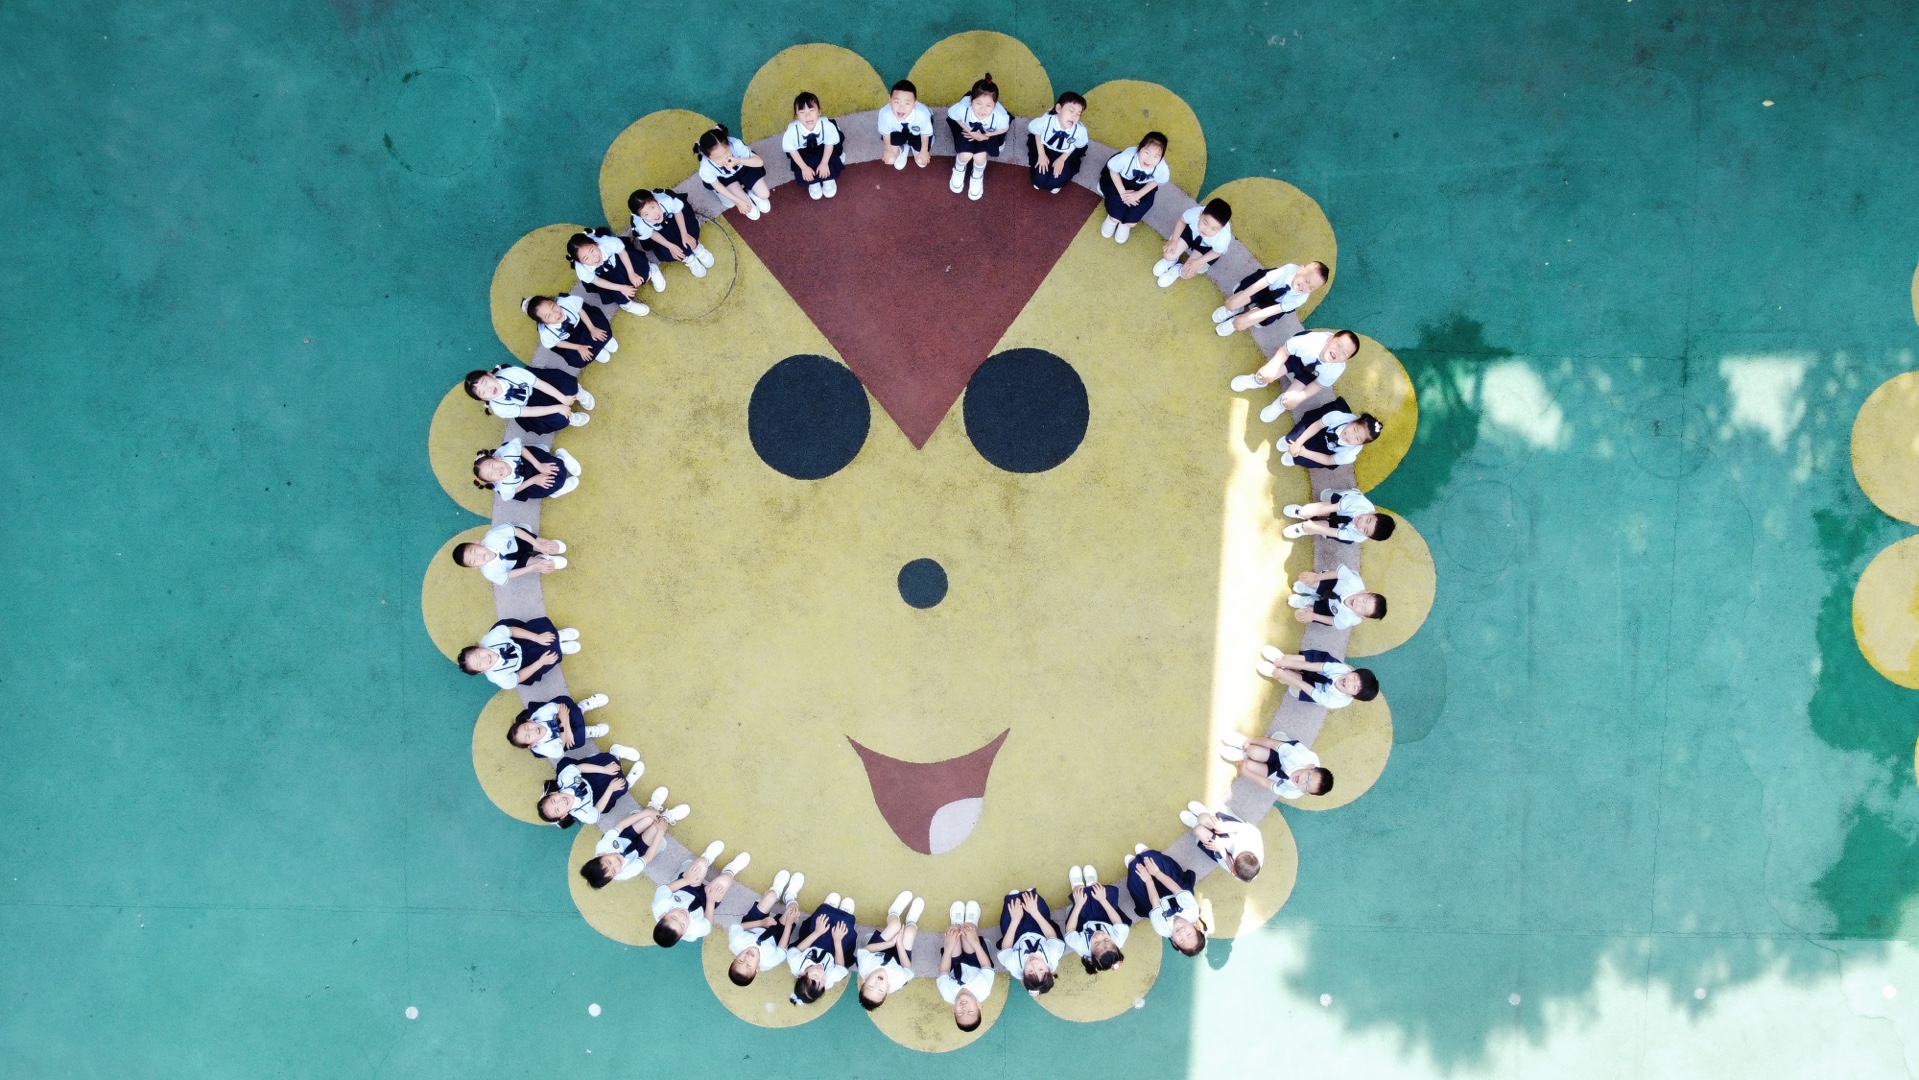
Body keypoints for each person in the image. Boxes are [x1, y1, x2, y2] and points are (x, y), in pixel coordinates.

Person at [1232, 329, 1361, 423]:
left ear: (1346, 360)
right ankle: (1256, 380)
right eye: (1339, 345)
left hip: (1310, 374)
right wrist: (1272, 367)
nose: (1338, 352)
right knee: (1267, 374)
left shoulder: (1336, 369)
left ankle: (1279, 405)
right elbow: (1285, 350)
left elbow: (1318, 385)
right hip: (1295, 358)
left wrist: (1299, 398)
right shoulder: (1310, 342)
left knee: (1291, 399)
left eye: (1345, 353)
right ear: (1330, 338)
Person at [579, 787, 692, 888]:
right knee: (655, 828)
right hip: (638, 850)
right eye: (614, 871)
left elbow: (621, 825)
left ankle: (652, 807)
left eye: (609, 862)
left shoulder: (603, 846)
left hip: (626, 836)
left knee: (649, 818)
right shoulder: (626, 873)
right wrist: (661, 831)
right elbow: (648, 857)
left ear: (601, 855)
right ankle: (666, 818)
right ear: (613, 878)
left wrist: (647, 812)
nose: (616, 864)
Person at [653, 841, 749, 947]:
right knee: (724, 881)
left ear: (663, 915)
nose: (682, 917)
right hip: (704, 902)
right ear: (683, 934)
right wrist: (711, 901)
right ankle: (730, 870)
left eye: (674, 918)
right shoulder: (695, 932)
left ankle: (707, 858)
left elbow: (666, 889)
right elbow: (708, 923)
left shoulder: (659, 906)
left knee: (700, 864)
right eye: (682, 925)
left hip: (685, 887)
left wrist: (687, 880)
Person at [727, 870, 805, 986]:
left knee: (770, 896)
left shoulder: (736, 942)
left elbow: (738, 927)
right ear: (757, 968)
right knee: (793, 911)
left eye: (741, 960)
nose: (747, 958)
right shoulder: (770, 961)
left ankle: (776, 891)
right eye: (749, 965)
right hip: (775, 935)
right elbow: (782, 947)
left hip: (754, 924)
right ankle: (790, 896)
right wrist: (789, 923)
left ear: (735, 957)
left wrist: (761, 922)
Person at [1125, 846, 1206, 956]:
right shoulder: (1192, 911)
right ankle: (1147, 854)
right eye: (1189, 934)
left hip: (1154, 900)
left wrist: (1148, 880)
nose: (1182, 933)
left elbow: (1155, 902)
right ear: (1196, 927)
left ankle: (1135, 865)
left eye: (1181, 940)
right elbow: (1176, 889)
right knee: (1151, 857)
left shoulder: (1162, 929)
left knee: (1134, 866)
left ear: (1175, 943)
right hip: (1173, 890)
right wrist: (1156, 873)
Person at [462, 364, 592, 433]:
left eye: (485, 383)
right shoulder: (499, 409)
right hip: (528, 406)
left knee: (564, 384)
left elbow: (539, 384)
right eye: (483, 392)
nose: (489, 389)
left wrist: (562, 398)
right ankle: (570, 417)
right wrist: (558, 408)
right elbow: (529, 411)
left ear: (490, 375)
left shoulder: (511, 373)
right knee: (558, 418)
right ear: (482, 399)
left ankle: (578, 392)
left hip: (536, 386)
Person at [1212, 262, 1330, 338]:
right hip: (1264, 288)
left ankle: (1234, 321)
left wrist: (1246, 319)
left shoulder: (1301, 298)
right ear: (1300, 270)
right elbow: (1261, 284)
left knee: (1246, 321)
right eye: (1307, 281)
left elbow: (1272, 310)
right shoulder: (1288, 269)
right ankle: (1234, 309)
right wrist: (1237, 300)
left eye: (1311, 288)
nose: (1305, 287)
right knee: (1234, 300)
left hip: (1273, 304)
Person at [458, 616, 579, 688]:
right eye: (480, 664)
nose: (485, 659)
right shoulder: (498, 677)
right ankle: (560, 648)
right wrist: (540, 662)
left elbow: (512, 631)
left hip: (520, 641)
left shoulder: (492, 638)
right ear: (482, 671)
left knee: (543, 635)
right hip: (525, 663)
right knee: (547, 657)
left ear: (479, 646)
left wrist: (537, 637)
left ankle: (558, 635)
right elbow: (519, 676)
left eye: (479, 654)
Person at [537, 746, 642, 828]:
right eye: (558, 810)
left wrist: (605, 769)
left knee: (608, 760)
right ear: (563, 815)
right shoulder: (582, 814)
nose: (561, 803)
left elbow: (581, 768)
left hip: (588, 776)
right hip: (598, 794)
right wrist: (610, 789)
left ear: (553, 793)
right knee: (621, 788)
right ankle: (629, 781)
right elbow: (597, 810)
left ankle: (615, 753)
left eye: (554, 800)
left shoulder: (564, 779)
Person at [945, 73, 1010, 201]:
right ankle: (959, 169)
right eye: (978, 103)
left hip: (987, 133)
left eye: (988, 105)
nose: (982, 110)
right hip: (968, 131)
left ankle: (977, 176)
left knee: (979, 157)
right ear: (971, 101)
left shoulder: (1000, 116)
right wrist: (970, 131)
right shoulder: (963, 109)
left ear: (995, 105)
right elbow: (954, 117)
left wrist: (987, 135)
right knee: (965, 155)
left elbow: (1004, 128)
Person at [856, 891, 925, 1010]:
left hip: (877, 950)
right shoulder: (898, 980)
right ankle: (911, 920)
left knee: (895, 925)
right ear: (888, 990)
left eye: (871, 986)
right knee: (909, 932)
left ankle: (894, 912)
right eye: (881, 990)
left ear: (865, 980)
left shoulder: (865, 965)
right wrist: (899, 944)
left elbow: (868, 949)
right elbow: (907, 967)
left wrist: (890, 943)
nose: (878, 984)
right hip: (899, 958)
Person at [1098, 132, 1169, 244]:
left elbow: (1156, 181)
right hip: (1121, 180)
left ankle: (1125, 225)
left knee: (1132, 221)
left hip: (1142, 187)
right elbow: (1113, 172)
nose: (1149, 159)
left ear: (1161, 157)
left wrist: (1138, 194)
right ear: (1139, 148)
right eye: (1147, 152)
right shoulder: (1126, 157)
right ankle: (1112, 220)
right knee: (1115, 214)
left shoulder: (1162, 168)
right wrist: (1123, 193)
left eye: (1156, 156)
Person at [628, 188, 713, 281]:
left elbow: (677, 212)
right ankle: (689, 259)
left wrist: (684, 234)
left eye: (653, 207)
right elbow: (652, 234)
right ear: (640, 217)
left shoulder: (666, 200)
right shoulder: (640, 225)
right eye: (646, 214)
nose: (654, 214)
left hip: (674, 219)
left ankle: (697, 248)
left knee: (690, 233)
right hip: (660, 233)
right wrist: (670, 246)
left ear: (655, 200)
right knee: (669, 251)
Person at [1257, 646, 1379, 709]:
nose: (1350, 682)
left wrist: (1283, 675)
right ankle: (1282, 658)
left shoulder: (1334, 701)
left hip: (1316, 689)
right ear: (1352, 671)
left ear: (1351, 696)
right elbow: (1310, 666)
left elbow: (1304, 686)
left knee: (1293, 682)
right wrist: (1284, 662)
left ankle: (1276, 673)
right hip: (1320, 668)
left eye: (1354, 688)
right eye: (1354, 678)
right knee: (1305, 660)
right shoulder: (1342, 669)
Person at [787, 892, 855, 1004]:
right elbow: (840, 966)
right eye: (823, 980)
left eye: (815, 976)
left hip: (813, 942)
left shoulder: (795, 963)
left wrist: (817, 932)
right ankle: (845, 915)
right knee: (844, 931)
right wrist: (837, 941)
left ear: (802, 975)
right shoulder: (831, 978)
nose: (821, 973)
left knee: (820, 920)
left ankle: (829, 907)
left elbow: (798, 949)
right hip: (833, 951)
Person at [1221, 732, 1334, 800]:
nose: (1304, 781)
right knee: (1253, 751)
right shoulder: (1296, 756)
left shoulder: (1291, 793)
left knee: (1248, 765)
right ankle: (1243, 744)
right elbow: (1271, 743)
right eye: (1308, 777)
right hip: (1283, 756)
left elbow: (1266, 783)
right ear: (1309, 767)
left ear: (1304, 792)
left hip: (1279, 774)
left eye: (1307, 786)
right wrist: (1248, 740)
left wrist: (1245, 771)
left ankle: (1243, 755)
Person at [995, 888, 1065, 995]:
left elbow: (1006, 946)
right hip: (1038, 929)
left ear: (1023, 975)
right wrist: (1034, 912)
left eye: (1030, 971)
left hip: (1016, 934)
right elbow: (1050, 935)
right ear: (1049, 969)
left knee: (1011, 904)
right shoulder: (1054, 954)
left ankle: (1015, 899)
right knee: (1034, 901)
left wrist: (1015, 920)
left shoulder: (1013, 965)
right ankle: (1029, 895)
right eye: (1041, 969)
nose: (1034, 964)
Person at [937, 900, 994, 1031]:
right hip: (975, 962)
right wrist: (974, 942)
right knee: (969, 931)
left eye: (960, 1013)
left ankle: (956, 923)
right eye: (971, 1012)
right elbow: (986, 965)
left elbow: (944, 971)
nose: (964, 1008)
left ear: (953, 1009)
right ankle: (970, 922)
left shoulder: (947, 993)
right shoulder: (984, 989)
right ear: (979, 1006)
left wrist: (948, 948)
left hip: (955, 965)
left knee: (952, 932)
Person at [1062, 865, 1130, 975]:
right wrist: (1102, 900)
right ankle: (1092, 884)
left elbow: (1070, 929)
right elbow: (1116, 921)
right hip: (1104, 918)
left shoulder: (1080, 945)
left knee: (1080, 902)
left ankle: (1077, 886)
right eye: (1106, 939)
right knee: (1105, 895)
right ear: (1116, 945)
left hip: (1083, 921)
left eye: (1097, 943)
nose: (1099, 936)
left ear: (1092, 953)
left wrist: (1078, 905)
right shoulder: (1119, 939)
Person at [1278, 397, 1381, 469]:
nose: (1350, 436)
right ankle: (1293, 441)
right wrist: (1298, 443)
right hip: (1324, 428)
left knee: (1305, 459)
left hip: (1329, 451)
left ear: (1361, 444)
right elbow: (1317, 425)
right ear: (1353, 421)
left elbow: (1328, 460)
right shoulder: (1337, 417)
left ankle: (1297, 458)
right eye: (1354, 429)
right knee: (1294, 437)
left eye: (1357, 439)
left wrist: (1303, 452)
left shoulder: (1349, 455)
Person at [1152, 198, 1233, 289]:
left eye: (1214, 229)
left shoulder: (1223, 237)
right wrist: (1174, 240)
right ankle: (1170, 261)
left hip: (1207, 247)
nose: (1206, 230)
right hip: (1191, 233)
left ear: (1221, 229)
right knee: (1169, 254)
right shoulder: (1194, 213)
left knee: (1189, 272)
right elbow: (1181, 220)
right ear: (1200, 214)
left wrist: (1198, 262)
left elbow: (1217, 252)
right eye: (1205, 223)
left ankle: (1177, 270)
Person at [695, 125, 771, 220]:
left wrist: (739, 161)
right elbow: (717, 185)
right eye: (718, 158)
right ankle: (745, 196)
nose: (725, 159)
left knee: (764, 194)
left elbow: (759, 162)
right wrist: (738, 201)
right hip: (726, 179)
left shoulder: (736, 144)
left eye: (726, 153)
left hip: (743, 167)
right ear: (708, 157)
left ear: (729, 145)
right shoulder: (706, 167)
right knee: (732, 203)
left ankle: (751, 192)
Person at [566, 231, 650, 316]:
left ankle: (652, 271)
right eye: (586, 258)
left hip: (619, 261)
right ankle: (627, 305)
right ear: (580, 262)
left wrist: (631, 274)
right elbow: (597, 280)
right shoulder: (582, 270)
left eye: (592, 250)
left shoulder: (608, 243)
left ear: (595, 244)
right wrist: (621, 288)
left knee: (640, 271)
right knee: (618, 295)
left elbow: (622, 252)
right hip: (604, 277)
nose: (594, 258)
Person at [453, 523, 566, 586]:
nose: (478, 557)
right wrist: (532, 568)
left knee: (554, 547)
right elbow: (509, 575)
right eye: (473, 561)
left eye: (474, 551)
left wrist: (539, 545)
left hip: (520, 541)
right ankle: (541, 558)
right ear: (475, 567)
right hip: (517, 562)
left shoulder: (493, 535)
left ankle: (541, 547)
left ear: (477, 543)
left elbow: (517, 531)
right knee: (547, 565)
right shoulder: (489, 573)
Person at [523, 295, 617, 369]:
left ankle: (599, 344)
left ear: (554, 301)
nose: (556, 313)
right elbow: (557, 343)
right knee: (603, 358)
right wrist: (579, 347)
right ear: (544, 322)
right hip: (572, 340)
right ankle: (596, 351)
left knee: (613, 346)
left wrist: (592, 328)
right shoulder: (547, 333)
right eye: (549, 316)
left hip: (583, 324)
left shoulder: (566, 303)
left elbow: (580, 311)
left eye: (553, 306)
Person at [472, 437, 580, 501]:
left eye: (492, 465)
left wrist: (538, 465)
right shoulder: (505, 488)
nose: (496, 471)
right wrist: (534, 480)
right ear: (494, 482)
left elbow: (521, 449)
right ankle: (557, 489)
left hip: (527, 460)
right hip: (524, 481)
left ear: (496, 458)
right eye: (491, 475)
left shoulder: (508, 453)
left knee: (552, 465)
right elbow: (514, 491)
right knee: (549, 485)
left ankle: (560, 457)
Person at [506, 693, 610, 759]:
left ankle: (582, 707)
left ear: (529, 721)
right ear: (532, 744)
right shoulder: (546, 748)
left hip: (560, 717)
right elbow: (561, 747)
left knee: (565, 703)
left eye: (528, 727)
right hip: (561, 735)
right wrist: (567, 728)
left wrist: (564, 720)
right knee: (575, 740)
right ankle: (586, 731)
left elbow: (559, 707)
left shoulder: (540, 715)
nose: (532, 731)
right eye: (528, 736)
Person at [1180, 801, 1265, 882]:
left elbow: (1228, 865)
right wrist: (1224, 827)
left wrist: (1221, 849)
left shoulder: (1243, 873)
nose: (1233, 874)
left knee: (1198, 830)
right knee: (1203, 818)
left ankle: (1196, 823)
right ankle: (1204, 815)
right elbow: (1244, 827)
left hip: (1222, 849)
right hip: (1232, 830)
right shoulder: (1251, 839)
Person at [782, 92, 844, 200]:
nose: (807, 115)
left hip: (822, 145)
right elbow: (792, 151)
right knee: (804, 162)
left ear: (819, 111)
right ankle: (813, 182)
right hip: (803, 149)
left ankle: (828, 178)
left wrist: (824, 163)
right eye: (802, 112)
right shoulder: (792, 131)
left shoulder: (826, 125)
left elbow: (829, 144)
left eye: (811, 110)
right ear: (796, 115)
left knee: (831, 155)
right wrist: (804, 168)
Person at [1281, 487, 1397, 544]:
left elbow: (1335, 533)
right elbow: (1331, 508)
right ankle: (1301, 512)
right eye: (1367, 520)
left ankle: (1302, 528)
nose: (1361, 524)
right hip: (1339, 506)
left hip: (1341, 525)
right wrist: (1309, 513)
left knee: (1314, 528)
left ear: (1368, 537)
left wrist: (1312, 527)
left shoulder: (1358, 537)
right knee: (1309, 510)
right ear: (1373, 512)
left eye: (1365, 530)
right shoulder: (1360, 503)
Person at [1026, 91, 1088, 193]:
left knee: (1056, 179)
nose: (1074, 117)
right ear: (1059, 108)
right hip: (1045, 147)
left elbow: (1075, 145)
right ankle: (1039, 180)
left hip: (1065, 152)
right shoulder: (1047, 120)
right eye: (1071, 111)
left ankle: (1056, 184)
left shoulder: (1080, 131)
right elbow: (1037, 133)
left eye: (1078, 114)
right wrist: (1041, 154)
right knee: (1039, 177)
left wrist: (1062, 159)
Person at [1290, 565, 1387, 629]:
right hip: (1332, 586)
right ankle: (1310, 588)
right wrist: (1315, 578)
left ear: (1361, 616)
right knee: (1312, 581)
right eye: (1364, 600)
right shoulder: (1354, 582)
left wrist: (1313, 616)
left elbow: (1331, 621)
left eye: (1363, 608)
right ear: (1365, 592)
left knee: (1305, 613)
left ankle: (1309, 602)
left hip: (1329, 609)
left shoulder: (1349, 619)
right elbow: (1336, 573)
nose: (1359, 603)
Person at [877, 80, 934, 171]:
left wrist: (924, 151)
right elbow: (886, 133)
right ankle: (904, 146)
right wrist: (888, 150)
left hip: (917, 134)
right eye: (897, 102)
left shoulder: (922, 114)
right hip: (897, 132)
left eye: (907, 103)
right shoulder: (885, 114)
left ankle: (915, 144)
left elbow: (924, 133)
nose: (901, 108)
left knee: (921, 162)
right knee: (890, 159)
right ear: (890, 100)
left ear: (914, 104)